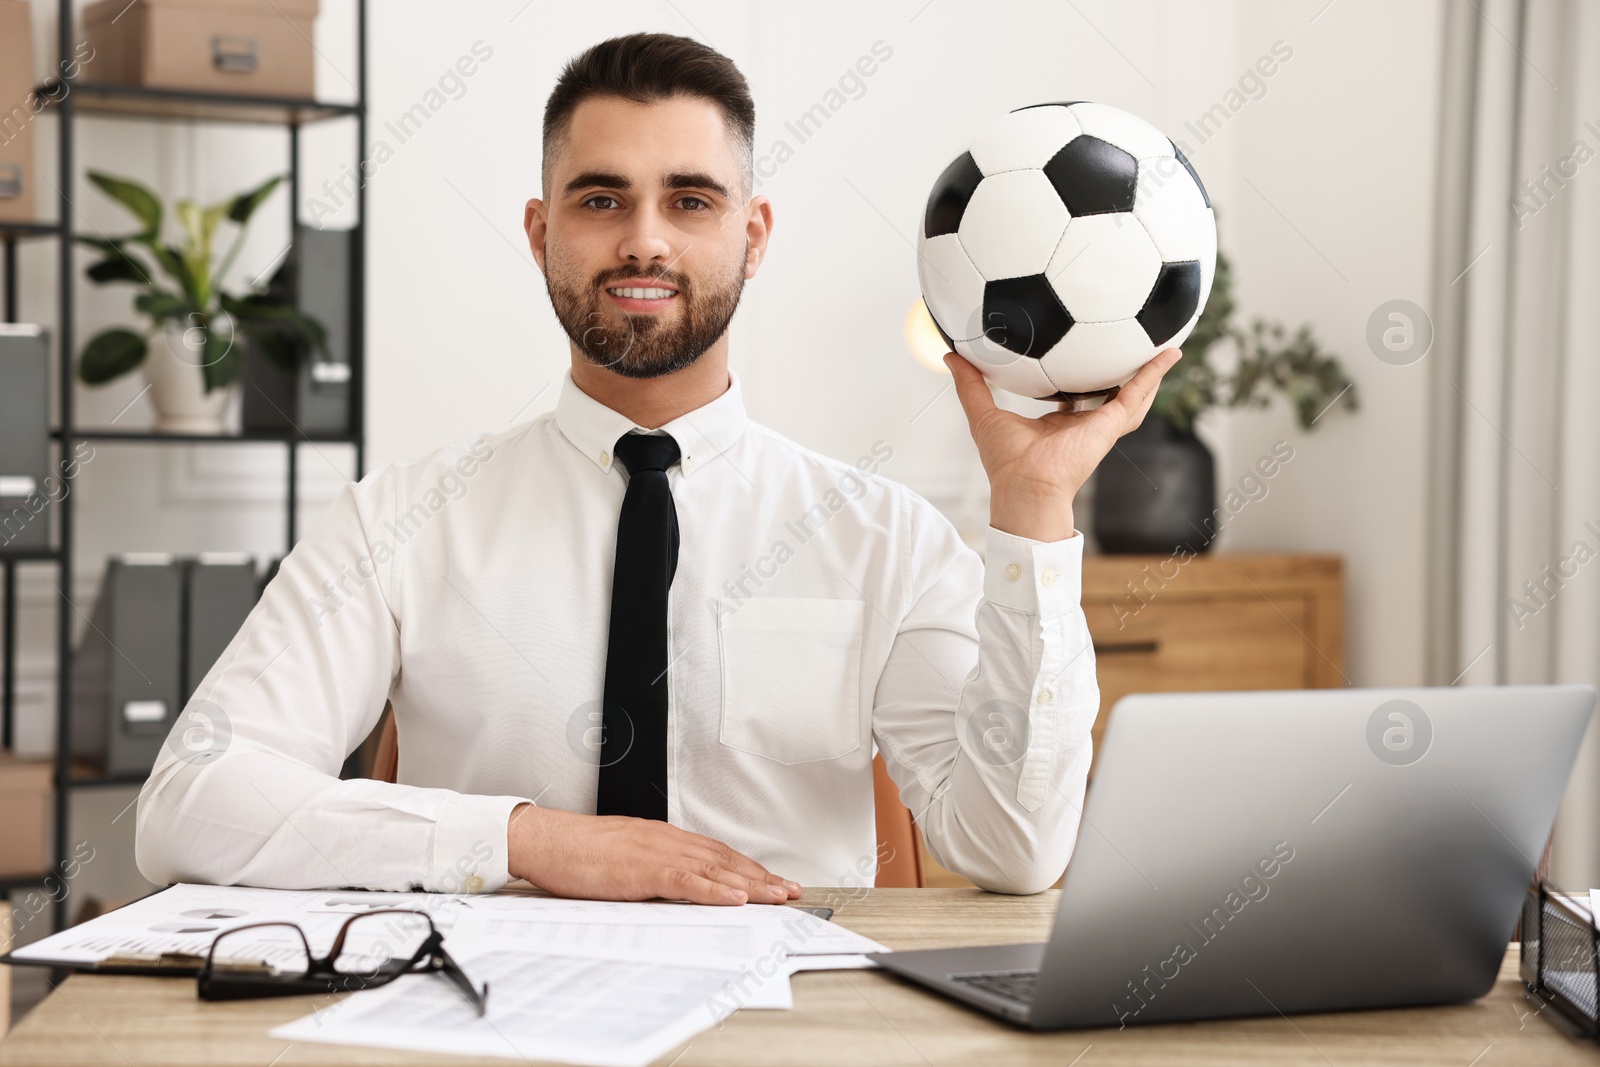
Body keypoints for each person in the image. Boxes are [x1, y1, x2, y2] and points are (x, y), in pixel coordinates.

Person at [136, 32, 1181, 904]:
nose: (644, 242)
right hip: (489, 1029)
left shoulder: (885, 537)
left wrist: (1034, 502)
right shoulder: (400, 520)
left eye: (689, 199)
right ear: (543, 232)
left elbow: (1014, 847)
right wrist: (533, 840)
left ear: (752, 234)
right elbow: (188, 801)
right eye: (600, 201)